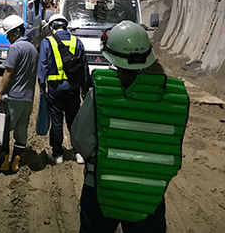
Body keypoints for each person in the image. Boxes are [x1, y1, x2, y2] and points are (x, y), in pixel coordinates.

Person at [72, 21, 189, 233]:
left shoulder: (99, 94)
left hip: (101, 188)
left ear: (110, 56)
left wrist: (102, 160)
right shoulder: (173, 97)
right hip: (149, 194)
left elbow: (80, 139)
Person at [0, 14, 38, 174]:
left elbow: (8, 72)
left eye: (9, 34)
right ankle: (16, 161)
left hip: (14, 98)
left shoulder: (15, 48)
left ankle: (3, 162)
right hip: (28, 98)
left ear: (16, 32)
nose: (8, 37)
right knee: (21, 130)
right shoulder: (32, 48)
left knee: (2, 131)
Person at [38, 13, 88, 165]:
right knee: (73, 121)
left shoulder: (47, 42)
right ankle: (78, 152)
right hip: (73, 89)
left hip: (55, 89)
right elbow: (84, 67)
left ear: (52, 27)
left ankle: (58, 154)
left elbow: (43, 66)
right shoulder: (76, 41)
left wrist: (42, 88)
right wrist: (84, 89)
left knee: (57, 121)